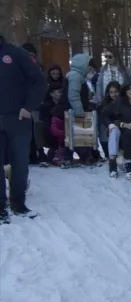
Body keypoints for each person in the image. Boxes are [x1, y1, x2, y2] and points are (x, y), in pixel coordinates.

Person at [0, 35, 47, 223]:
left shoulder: (16, 53)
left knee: (20, 163)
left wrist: (29, 106)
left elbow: (39, 81)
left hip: (17, 119)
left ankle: (18, 204)